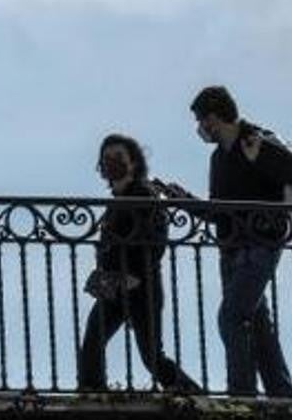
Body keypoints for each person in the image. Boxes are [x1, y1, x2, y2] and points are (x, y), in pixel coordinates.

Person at [190, 86, 292, 397]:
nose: (200, 130)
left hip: (260, 244)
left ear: (213, 119)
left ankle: (242, 395)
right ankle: (281, 394)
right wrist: (186, 202)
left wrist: (262, 156)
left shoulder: (256, 140)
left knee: (231, 316)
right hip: (231, 249)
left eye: (201, 121)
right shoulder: (219, 159)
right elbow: (220, 212)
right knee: (258, 325)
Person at [78, 134, 199, 393]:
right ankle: (92, 392)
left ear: (133, 162)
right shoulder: (116, 202)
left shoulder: (143, 193)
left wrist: (135, 276)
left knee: (152, 356)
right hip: (114, 284)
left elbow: (156, 241)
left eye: (118, 158)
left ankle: (193, 395)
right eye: (107, 158)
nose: (111, 163)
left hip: (141, 287)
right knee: (93, 339)